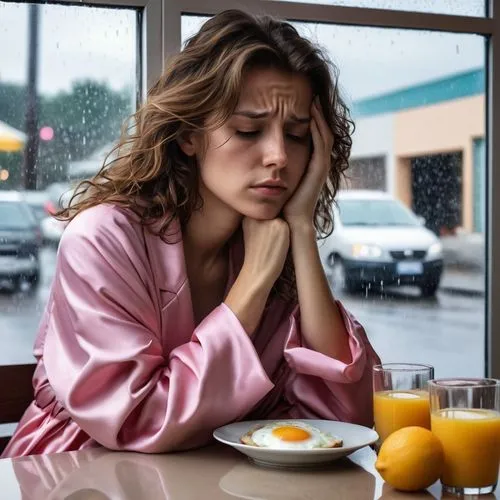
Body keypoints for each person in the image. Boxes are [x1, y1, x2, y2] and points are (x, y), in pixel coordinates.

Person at [2, 9, 380, 458]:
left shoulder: (271, 242)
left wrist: (300, 228)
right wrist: (252, 285)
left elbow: (345, 418)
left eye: (297, 135)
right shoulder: (103, 238)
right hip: (78, 471)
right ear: (189, 135)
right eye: (248, 130)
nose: (278, 155)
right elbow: (138, 419)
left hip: (217, 480)